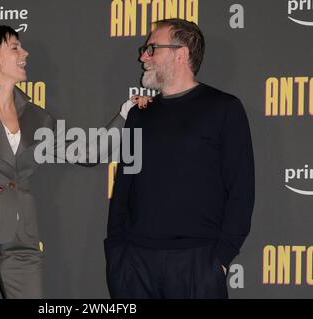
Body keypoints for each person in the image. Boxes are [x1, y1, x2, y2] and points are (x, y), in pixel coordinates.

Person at [0, 25, 148, 299]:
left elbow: (88, 154)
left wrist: (125, 113)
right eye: (14, 47)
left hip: (24, 236)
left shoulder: (37, 116)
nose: (25, 53)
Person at [105, 18, 255, 299]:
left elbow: (241, 189)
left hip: (197, 262)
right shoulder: (140, 113)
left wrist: (220, 260)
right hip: (134, 264)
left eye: (152, 48)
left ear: (181, 54)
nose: (143, 56)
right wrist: (116, 252)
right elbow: (124, 185)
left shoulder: (224, 108)